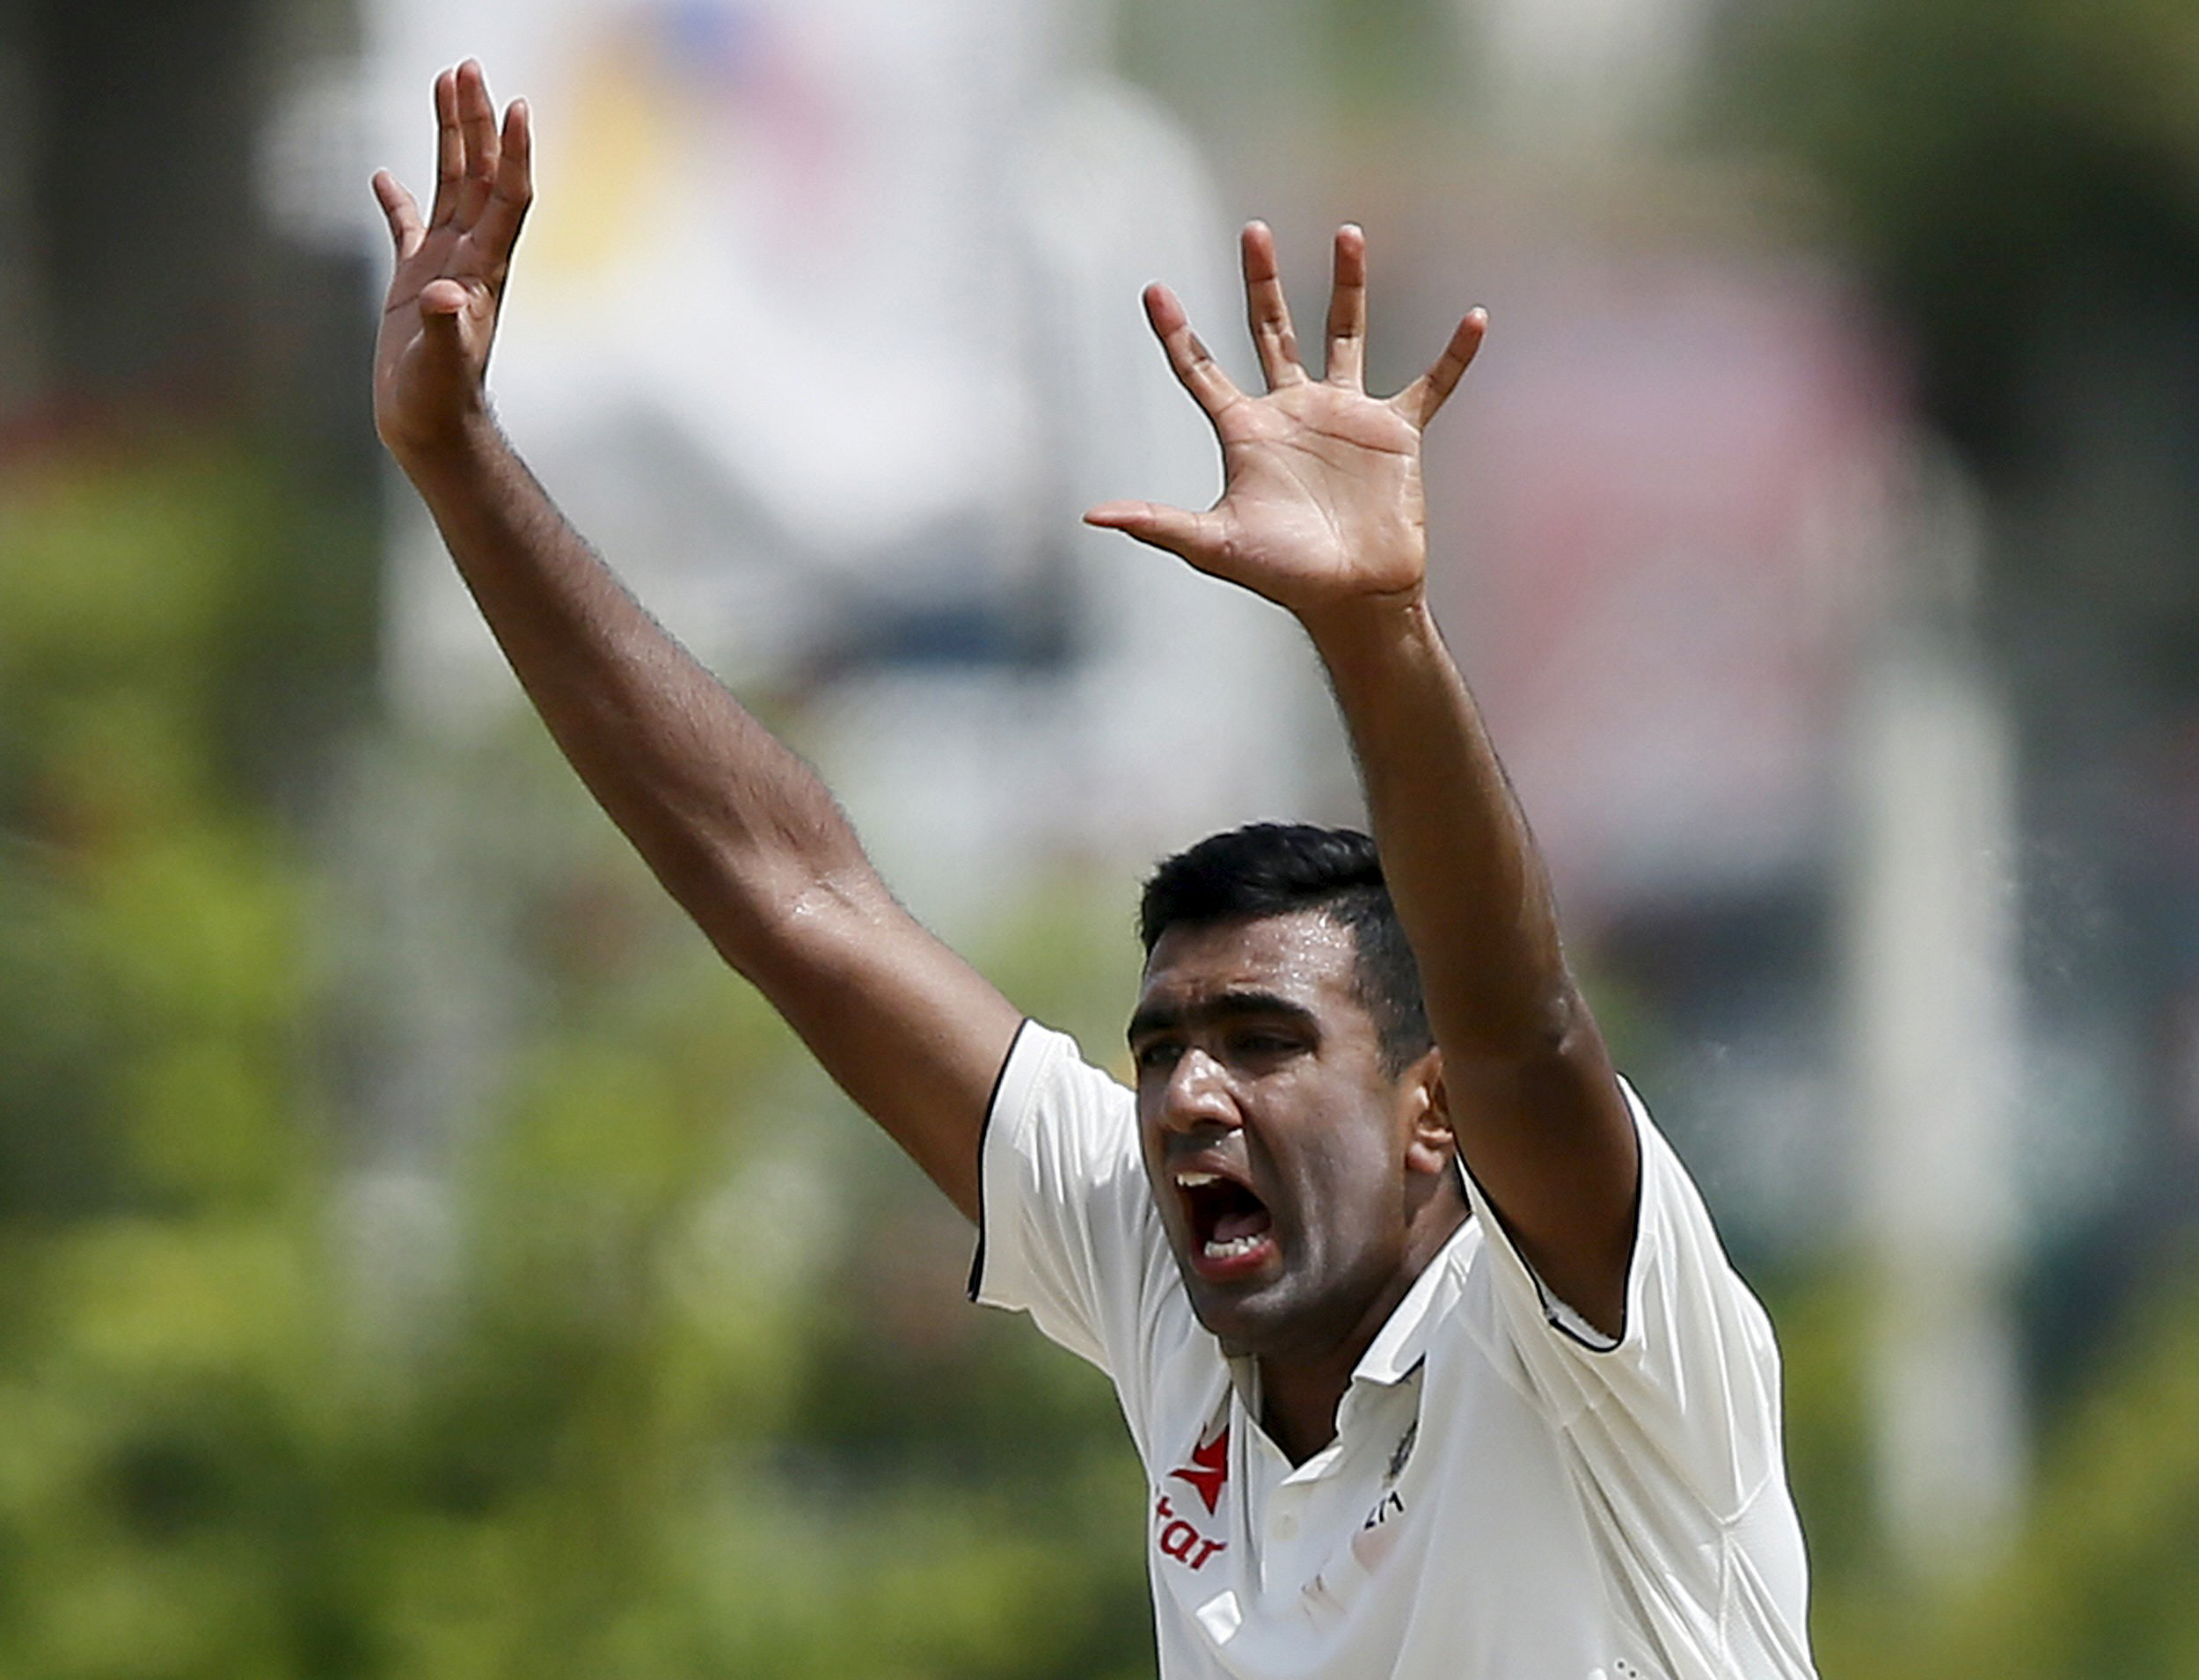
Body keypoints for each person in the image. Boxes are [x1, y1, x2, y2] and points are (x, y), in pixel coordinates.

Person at [373, 60, 1819, 1679]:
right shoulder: (1169, 1282)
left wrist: (1376, 631)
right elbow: (803, 904)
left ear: (1432, 1118)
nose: (1192, 1095)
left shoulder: (1580, 1333)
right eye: (1163, 1049)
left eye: (1267, 1043)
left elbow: (1525, 1028)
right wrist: (460, 464)